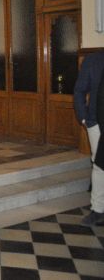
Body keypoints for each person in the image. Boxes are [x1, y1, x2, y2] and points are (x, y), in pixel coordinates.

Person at [74, 50, 104, 226]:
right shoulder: (93, 60)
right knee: (100, 165)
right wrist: (85, 119)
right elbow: (79, 91)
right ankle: (98, 209)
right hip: (97, 123)